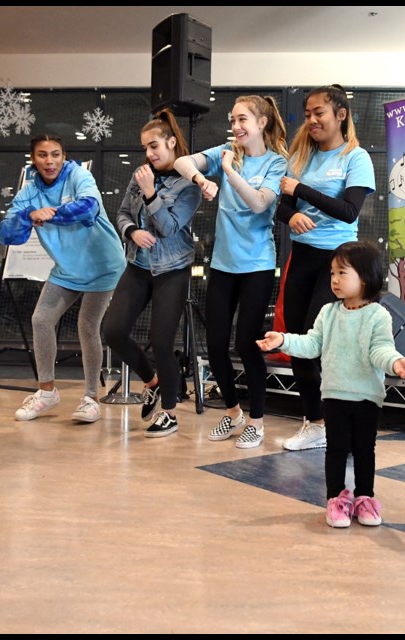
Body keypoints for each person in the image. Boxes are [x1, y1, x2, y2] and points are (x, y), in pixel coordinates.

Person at [257, 241, 405, 527]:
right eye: (332, 274)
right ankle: (336, 500)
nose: (334, 280)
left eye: (342, 273)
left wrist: (395, 363)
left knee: (365, 450)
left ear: (365, 278)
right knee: (336, 449)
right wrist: (283, 340)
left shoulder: (378, 315)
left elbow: (380, 349)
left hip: (367, 396)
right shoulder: (328, 313)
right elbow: (312, 343)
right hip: (334, 395)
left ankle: (365, 498)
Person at [174, 95, 288, 449]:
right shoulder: (226, 149)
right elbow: (180, 160)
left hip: (256, 264)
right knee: (216, 344)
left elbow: (258, 203)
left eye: (242, 120)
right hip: (223, 263)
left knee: (246, 342)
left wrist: (227, 173)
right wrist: (199, 178)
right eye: (233, 120)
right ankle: (234, 412)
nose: (236, 127)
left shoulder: (276, 162)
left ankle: (257, 421)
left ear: (262, 123)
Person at [274, 84, 376, 452]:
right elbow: (281, 208)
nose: (313, 120)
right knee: (299, 341)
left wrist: (301, 190)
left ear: (340, 115)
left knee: (322, 342)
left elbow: (349, 211)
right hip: (302, 257)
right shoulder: (300, 156)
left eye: (320, 112)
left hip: (339, 260)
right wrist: (293, 214)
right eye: (308, 114)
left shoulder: (356, 157)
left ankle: (341, 420)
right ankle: (315, 424)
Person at [0, 134, 125, 424]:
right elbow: (7, 233)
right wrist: (30, 214)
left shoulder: (79, 175)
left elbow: (89, 208)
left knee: (87, 326)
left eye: (55, 154)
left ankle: (91, 399)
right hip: (67, 270)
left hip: (103, 266)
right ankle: (47, 392)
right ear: (34, 159)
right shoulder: (29, 192)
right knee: (41, 319)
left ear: (64, 156)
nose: (49, 161)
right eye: (42, 155)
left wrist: (50, 214)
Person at [102, 110, 201, 437]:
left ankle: (170, 413)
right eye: (145, 147)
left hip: (172, 268)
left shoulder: (189, 183)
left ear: (172, 142)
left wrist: (150, 194)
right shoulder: (141, 174)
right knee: (112, 330)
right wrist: (131, 231)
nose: (149, 153)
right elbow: (122, 214)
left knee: (161, 341)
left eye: (155, 145)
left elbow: (170, 228)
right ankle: (153, 381)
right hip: (139, 264)